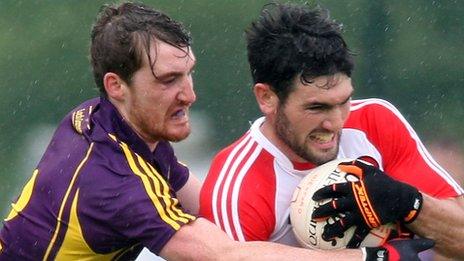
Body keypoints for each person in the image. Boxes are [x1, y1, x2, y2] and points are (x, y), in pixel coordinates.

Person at [0, 2, 431, 260]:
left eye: (188, 74)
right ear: (116, 85)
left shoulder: (107, 123)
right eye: (168, 80)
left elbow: (210, 203)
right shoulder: (114, 183)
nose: (189, 95)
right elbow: (224, 255)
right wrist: (371, 257)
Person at [199, 2, 464, 259]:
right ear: (267, 97)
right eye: (317, 107)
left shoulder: (375, 121)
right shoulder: (238, 188)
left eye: (344, 101)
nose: (336, 122)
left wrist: (405, 201)